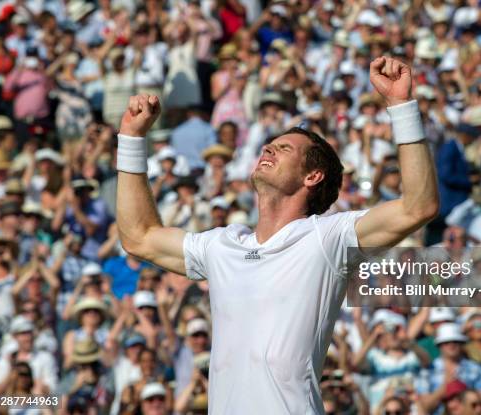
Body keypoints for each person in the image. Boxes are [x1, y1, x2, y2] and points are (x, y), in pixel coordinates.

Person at [115, 56, 438, 412]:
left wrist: (401, 105)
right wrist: (131, 138)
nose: (268, 148)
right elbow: (139, 237)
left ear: (311, 177)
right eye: (270, 145)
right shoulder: (223, 245)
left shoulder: (327, 238)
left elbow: (417, 207)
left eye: (284, 149)